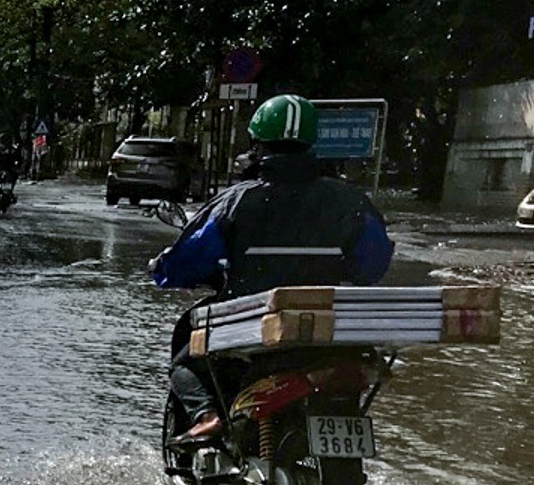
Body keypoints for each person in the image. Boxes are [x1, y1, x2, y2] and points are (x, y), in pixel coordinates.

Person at [151, 94, 394, 440]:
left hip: (252, 328)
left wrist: (162, 267)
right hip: (327, 332)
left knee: (186, 359)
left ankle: (206, 416)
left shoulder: (236, 201)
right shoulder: (352, 202)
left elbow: (183, 263)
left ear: (257, 144)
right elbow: (373, 267)